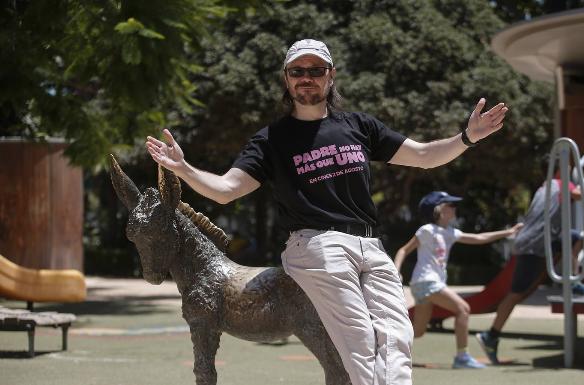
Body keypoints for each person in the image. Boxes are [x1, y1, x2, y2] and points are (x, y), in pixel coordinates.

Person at [146, 39, 508, 385]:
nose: (307, 77)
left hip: (370, 245)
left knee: (398, 338)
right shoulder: (271, 140)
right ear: (286, 79)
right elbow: (227, 190)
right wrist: (184, 169)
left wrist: (467, 137)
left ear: (331, 75)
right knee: (360, 343)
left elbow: (426, 156)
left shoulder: (359, 126)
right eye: (297, 71)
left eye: (316, 70)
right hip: (317, 245)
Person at [475, 173, 584, 365]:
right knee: (517, 294)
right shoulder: (560, 184)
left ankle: (573, 281)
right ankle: (491, 334)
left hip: (544, 239)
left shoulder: (546, 187)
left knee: (575, 238)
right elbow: (580, 194)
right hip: (534, 244)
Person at [393, 191, 523, 369]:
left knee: (419, 331)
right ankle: (462, 357)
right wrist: (396, 271)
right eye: (451, 205)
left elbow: (480, 238)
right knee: (463, 309)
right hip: (426, 281)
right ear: (438, 210)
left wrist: (508, 232)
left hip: (423, 284)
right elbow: (403, 250)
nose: (455, 209)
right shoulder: (427, 230)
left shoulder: (451, 233)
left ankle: (386, 344)